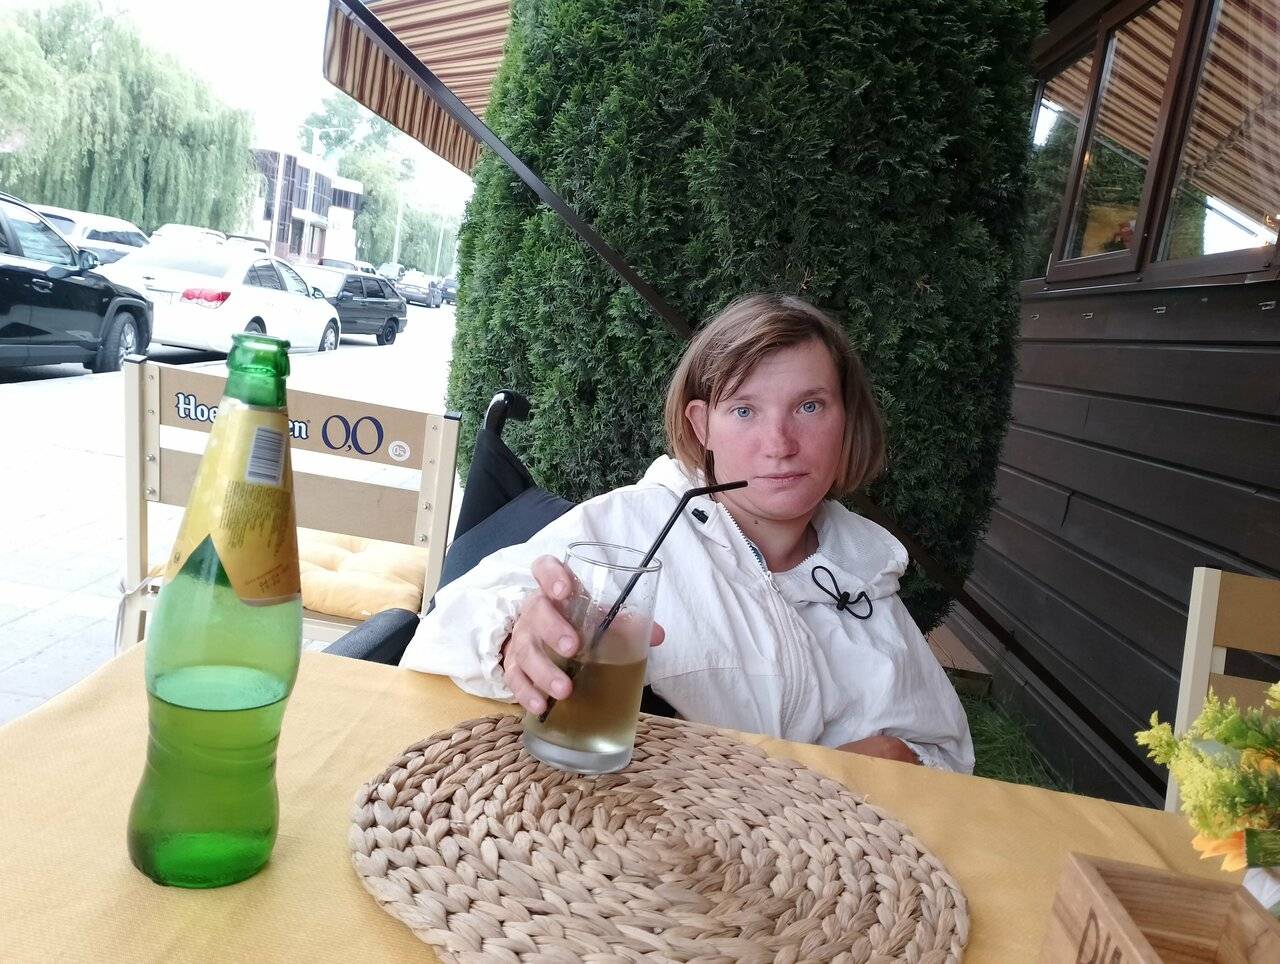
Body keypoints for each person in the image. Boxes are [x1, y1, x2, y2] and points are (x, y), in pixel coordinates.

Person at [401, 293, 974, 772]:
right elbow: (445, 630)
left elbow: (945, 752)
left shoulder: (865, 571)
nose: (780, 444)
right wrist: (512, 636)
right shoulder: (631, 525)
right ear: (702, 427)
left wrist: (897, 758)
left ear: (845, 419)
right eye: (744, 410)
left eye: (809, 407)